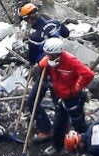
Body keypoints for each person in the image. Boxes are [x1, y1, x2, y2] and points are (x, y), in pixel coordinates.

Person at [19, 2, 70, 143]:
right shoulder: (54, 23)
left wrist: (32, 64)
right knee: (58, 102)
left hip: (46, 72)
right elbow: (66, 33)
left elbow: (31, 57)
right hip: (60, 67)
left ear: (29, 19)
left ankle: (47, 130)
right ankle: (65, 129)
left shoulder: (34, 37)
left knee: (33, 101)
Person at [37, 37, 94, 155]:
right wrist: (42, 69)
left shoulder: (71, 61)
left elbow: (88, 74)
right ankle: (57, 147)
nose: (48, 56)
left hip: (73, 97)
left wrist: (76, 87)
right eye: (47, 54)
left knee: (79, 124)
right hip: (61, 96)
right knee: (58, 123)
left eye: (51, 54)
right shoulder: (48, 61)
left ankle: (85, 147)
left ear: (58, 53)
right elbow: (43, 70)